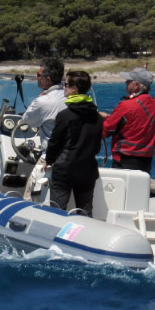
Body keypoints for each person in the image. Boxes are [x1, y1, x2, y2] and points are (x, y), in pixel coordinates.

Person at [45, 71, 103, 216]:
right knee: (85, 212)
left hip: (65, 171)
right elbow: (96, 146)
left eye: (65, 85)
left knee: (57, 212)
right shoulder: (97, 116)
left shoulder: (65, 115)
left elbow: (55, 142)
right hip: (88, 170)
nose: (63, 88)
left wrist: (49, 161)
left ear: (74, 89)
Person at [99, 67, 155, 173]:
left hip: (124, 160)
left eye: (128, 81)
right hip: (145, 161)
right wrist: (110, 117)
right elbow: (134, 123)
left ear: (136, 85)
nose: (125, 82)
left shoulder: (126, 105)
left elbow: (106, 130)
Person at [21, 57, 65, 149]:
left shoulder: (43, 101)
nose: (36, 77)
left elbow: (27, 120)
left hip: (51, 155)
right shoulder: (68, 96)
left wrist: (41, 96)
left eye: (39, 75)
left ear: (48, 79)